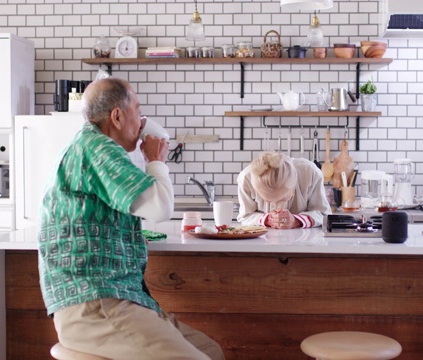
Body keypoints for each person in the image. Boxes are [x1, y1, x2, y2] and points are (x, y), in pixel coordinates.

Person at [37, 78, 224, 360]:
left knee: (211, 351)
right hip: (96, 304)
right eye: (138, 110)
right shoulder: (99, 150)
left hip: (116, 299)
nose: (142, 120)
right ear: (117, 116)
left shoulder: (92, 148)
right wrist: (156, 160)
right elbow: (160, 208)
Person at [237, 151, 331, 229]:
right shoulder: (246, 179)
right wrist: (267, 219)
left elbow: (324, 215)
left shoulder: (310, 173)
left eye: (282, 199)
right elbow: (245, 216)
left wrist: (296, 221)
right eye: (268, 200)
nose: (276, 206)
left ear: (293, 184)